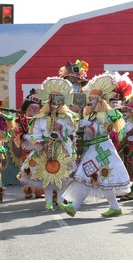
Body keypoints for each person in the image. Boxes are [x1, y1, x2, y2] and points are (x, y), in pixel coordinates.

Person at [60, 72, 132, 218]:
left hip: (102, 147)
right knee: (95, 177)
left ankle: (74, 207)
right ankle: (114, 207)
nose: (90, 101)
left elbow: (105, 129)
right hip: (95, 149)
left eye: (93, 99)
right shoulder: (91, 114)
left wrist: (91, 125)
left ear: (99, 100)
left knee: (86, 174)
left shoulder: (104, 114)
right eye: (90, 99)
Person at [18, 77, 78, 211]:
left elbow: (72, 131)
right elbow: (37, 131)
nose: (54, 105)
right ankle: (48, 203)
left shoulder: (67, 117)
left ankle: (61, 201)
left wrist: (61, 129)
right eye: (52, 102)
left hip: (61, 149)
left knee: (62, 176)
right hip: (45, 148)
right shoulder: (42, 117)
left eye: (57, 102)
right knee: (47, 176)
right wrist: (39, 142)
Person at [14, 89, 44, 199]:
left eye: (37, 108)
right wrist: (25, 136)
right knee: (27, 168)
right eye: (32, 107)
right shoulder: (20, 119)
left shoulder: (42, 119)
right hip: (27, 147)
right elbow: (17, 133)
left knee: (39, 168)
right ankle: (28, 189)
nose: (34, 110)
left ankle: (39, 190)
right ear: (27, 108)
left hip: (39, 147)